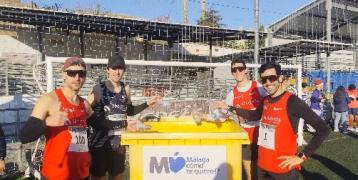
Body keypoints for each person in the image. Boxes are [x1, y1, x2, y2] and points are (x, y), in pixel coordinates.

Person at [229, 62, 330, 180]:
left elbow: (323, 129)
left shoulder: (293, 102)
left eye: (271, 78)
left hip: (283, 170)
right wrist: (231, 108)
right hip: (262, 167)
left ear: (280, 78)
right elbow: (255, 115)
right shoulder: (265, 100)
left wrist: (302, 156)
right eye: (264, 80)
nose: (268, 83)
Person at [87, 55, 162, 180]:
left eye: (120, 68)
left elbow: (129, 111)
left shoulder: (125, 89)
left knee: (117, 176)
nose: (117, 72)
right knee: (97, 177)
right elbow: (88, 115)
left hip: (119, 143)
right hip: (100, 143)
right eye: (114, 68)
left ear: (124, 70)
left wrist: (147, 103)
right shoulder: (98, 89)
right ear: (107, 69)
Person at [19, 57, 94, 179]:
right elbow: (24, 136)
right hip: (56, 175)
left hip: (82, 173)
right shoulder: (49, 100)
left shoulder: (84, 104)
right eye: (72, 73)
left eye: (81, 73)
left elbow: (99, 126)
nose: (77, 77)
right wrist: (46, 122)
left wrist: (126, 123)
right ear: (63, 75)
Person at [225, 59, 266, 180]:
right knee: (250, 174)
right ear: (232, 73)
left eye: (240, 69)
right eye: (234, 70)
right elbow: (225, 114)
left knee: (264, 171)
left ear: (246, 70)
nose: (238, 72)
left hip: (262, 132)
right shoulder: (231, 94)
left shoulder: (258, 87)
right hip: (245, 134)